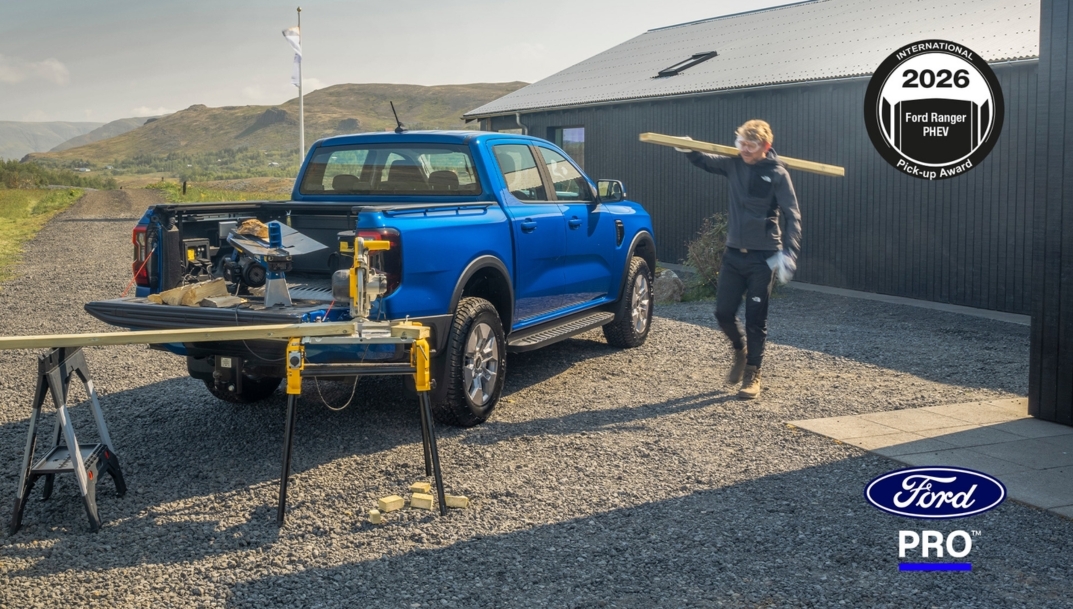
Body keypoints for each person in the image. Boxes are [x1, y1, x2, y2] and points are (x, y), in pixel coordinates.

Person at [677, 120, 801, 399]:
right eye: (741, 143)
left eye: (751, 145)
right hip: (733, 254)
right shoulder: (733, 164)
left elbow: (793, 215)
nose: (744, 149)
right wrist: (687, 148)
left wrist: (789, 252)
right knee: (722, 313)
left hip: (764, 256)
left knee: (756, 318)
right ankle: (740, 351)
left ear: (765, 147)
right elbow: (704, 160)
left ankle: (753, 374)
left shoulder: (778, 173)